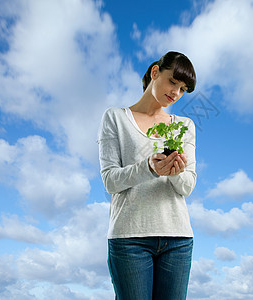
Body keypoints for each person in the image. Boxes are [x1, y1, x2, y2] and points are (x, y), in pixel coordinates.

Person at [97, 51, 197, 300]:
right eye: (173, 82)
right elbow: (110, 181)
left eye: (183, 89)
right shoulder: (115, 118)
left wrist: (175, 173)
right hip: (129, 239)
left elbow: (187, 186)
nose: (176, 93)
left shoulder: (183, 126)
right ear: (155, 72)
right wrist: (149, 168)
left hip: (178, 239)